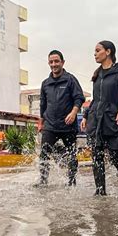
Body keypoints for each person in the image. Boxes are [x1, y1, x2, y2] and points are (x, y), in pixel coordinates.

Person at [81, 40, 118, 196]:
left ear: (108, 51)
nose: (95, 54)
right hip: (96, 121)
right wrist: (86, 115)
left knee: (116, 156)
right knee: (96, 155)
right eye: (95, 51)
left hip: (113, 119)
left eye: (98, 50)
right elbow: (95, 99)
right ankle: (100, 190)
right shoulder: (97, 75)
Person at [37, 50, 85, 186]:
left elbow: (79, 98)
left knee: (71, 155)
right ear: (48, 63)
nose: (54, 64)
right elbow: (42, 104)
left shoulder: (70, 79)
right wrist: (41, 122)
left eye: (56, 61)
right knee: (44, 154)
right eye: (51, 62)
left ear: (62, 62)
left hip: (67, 125)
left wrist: (74, 112)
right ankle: (43, 181)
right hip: (50, 125)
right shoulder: (45, 83)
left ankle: (72, 181)